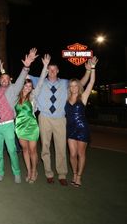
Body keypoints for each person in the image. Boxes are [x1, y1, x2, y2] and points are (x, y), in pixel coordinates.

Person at [29, 57, 92, 186]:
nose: (51, 72)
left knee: (61, 147)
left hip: (60, 119)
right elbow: (23, 76)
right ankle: (48, 173)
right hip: (45, 117)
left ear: (58, 71)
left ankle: (62, 174)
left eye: (54, 69)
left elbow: (80, 84)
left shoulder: (65, 83)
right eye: (49, 69)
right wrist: (27, 64)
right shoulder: (38, 80)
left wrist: (88, 71)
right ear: (46, 70)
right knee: (45, 147)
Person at [0, 48, 38, 184]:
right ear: (0, 80)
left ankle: (17, 173)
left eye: (7, 79)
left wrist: (26, 66)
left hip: (8, 125)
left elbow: (20, 80)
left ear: (9, 81)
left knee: (12, 151)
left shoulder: (13, 89)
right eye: (3, 79)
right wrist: (2, 72)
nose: (5, 80)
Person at [14, 54, 50, 184]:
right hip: (19, 127)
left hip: (32, 126)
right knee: (25, 150)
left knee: (33, 150)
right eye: (26, 86)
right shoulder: (15, 98)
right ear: (23, 86)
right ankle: (28, 171)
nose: (28, 88)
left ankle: (34, 171)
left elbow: (40, 82)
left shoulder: (33, 96)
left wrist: (45, 66)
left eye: (30, 87)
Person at [66, 57, 98, 187]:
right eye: (71, 86)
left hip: (82, 128)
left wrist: (92, 69)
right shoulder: (67, 98)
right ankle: (74, 173)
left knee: (81, 154)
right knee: (72, 154)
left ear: (78, 86)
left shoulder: (83, 96)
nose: (73, 87)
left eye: (75, 85)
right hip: (70, 128)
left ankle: (79, 176)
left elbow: (91, 82)